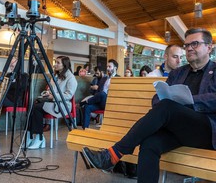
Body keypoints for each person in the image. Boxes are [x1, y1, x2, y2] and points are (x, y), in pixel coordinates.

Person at [82, 28, 216, 183]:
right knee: (149, 143)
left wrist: (188, 102)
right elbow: (157, 98)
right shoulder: (178, 73)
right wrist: (168, 102)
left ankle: (114, 153)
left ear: (209, 47)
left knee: (167, 106)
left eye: (195, 43)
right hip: (178, 129)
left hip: (205, 130)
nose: (189, 48)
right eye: (186, 45)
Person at [27, 56, 77, 149]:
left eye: (58, 63)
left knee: (37, 107)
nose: (55, 65)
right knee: (33, 105)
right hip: (53, 102)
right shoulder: (56, 76)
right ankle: (30, 136)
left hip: (63, 105)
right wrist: (48, 93)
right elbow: (51, 89)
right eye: (55, 62)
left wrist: (53, 96)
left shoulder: (71, 78)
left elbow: (69, 95)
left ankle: (39, 138)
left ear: (64, 65)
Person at [80, 59, 120, 129]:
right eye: (107, 66)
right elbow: (98, 91)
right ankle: (85, 130)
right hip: (100, 102)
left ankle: (86, 101)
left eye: (109, 67)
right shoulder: (104, 78)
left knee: (103, 94)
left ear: (115, 68)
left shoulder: (119, 79)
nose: (107, 68)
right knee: (87, 107)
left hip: (110, 103)